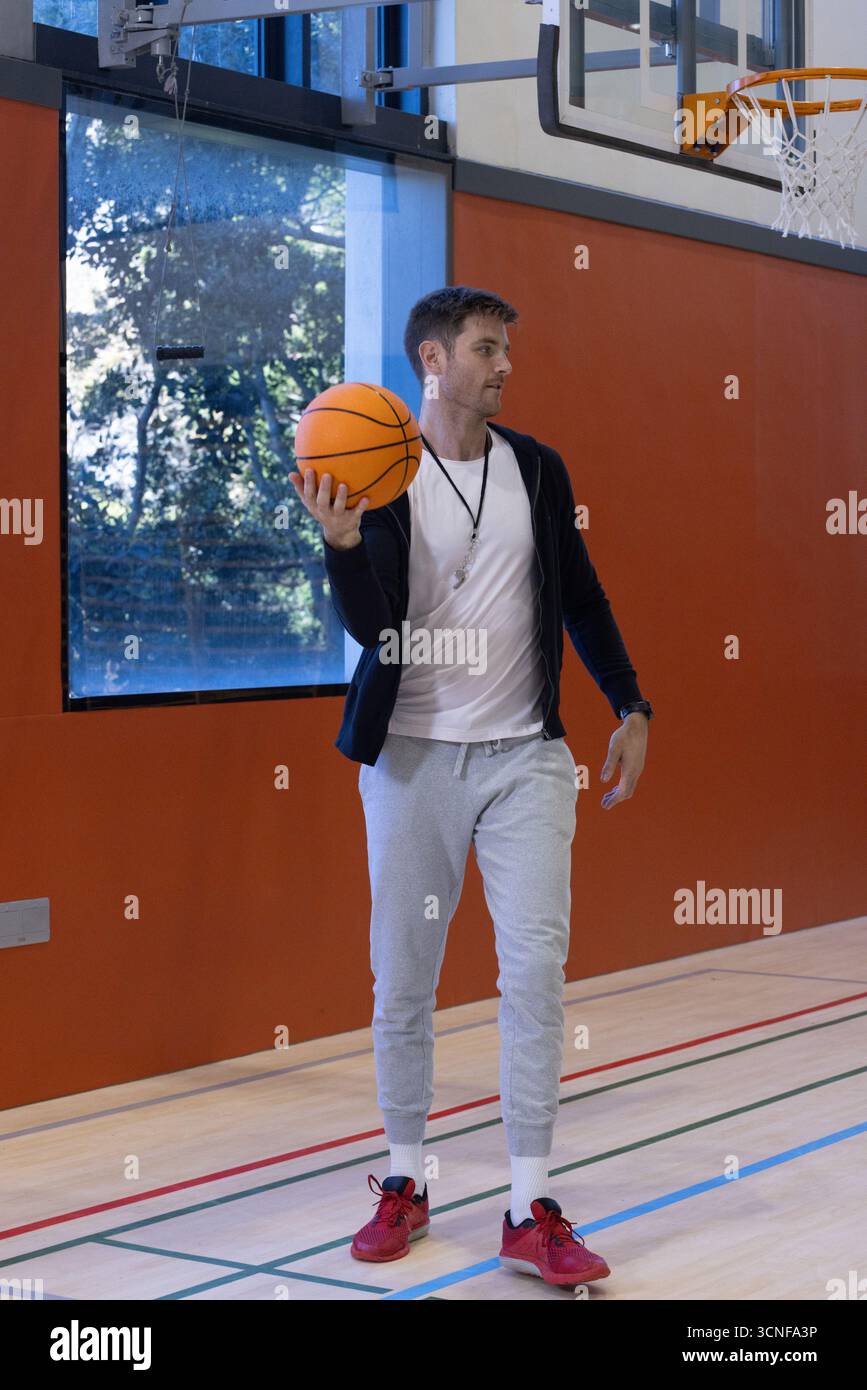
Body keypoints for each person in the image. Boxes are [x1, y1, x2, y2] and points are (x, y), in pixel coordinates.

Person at [289, 286, 653, 1288]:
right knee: (403, 977)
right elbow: (373, 629)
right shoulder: (380, 469)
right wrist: (343, 545)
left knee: (535, 972)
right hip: (410, 759)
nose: (504, 367)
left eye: (507, 351)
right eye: (488, 349)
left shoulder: (537, 468)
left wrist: (629, 702)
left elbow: (579, 591)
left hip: (525, 760)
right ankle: (405, 1179)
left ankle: (528, 1204)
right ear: (435, 362)